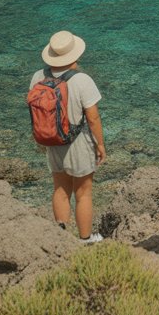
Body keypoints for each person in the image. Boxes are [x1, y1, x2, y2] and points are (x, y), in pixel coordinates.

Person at [29, 30, 106, 243]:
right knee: (83, 194)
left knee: (60, 190)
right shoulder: (82, 80)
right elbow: (93, 118)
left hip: (52, 142)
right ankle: (85, 239)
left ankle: (61, 239)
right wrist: (100, 144)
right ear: (75, 56)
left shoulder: (38, 77)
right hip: (78, 143)